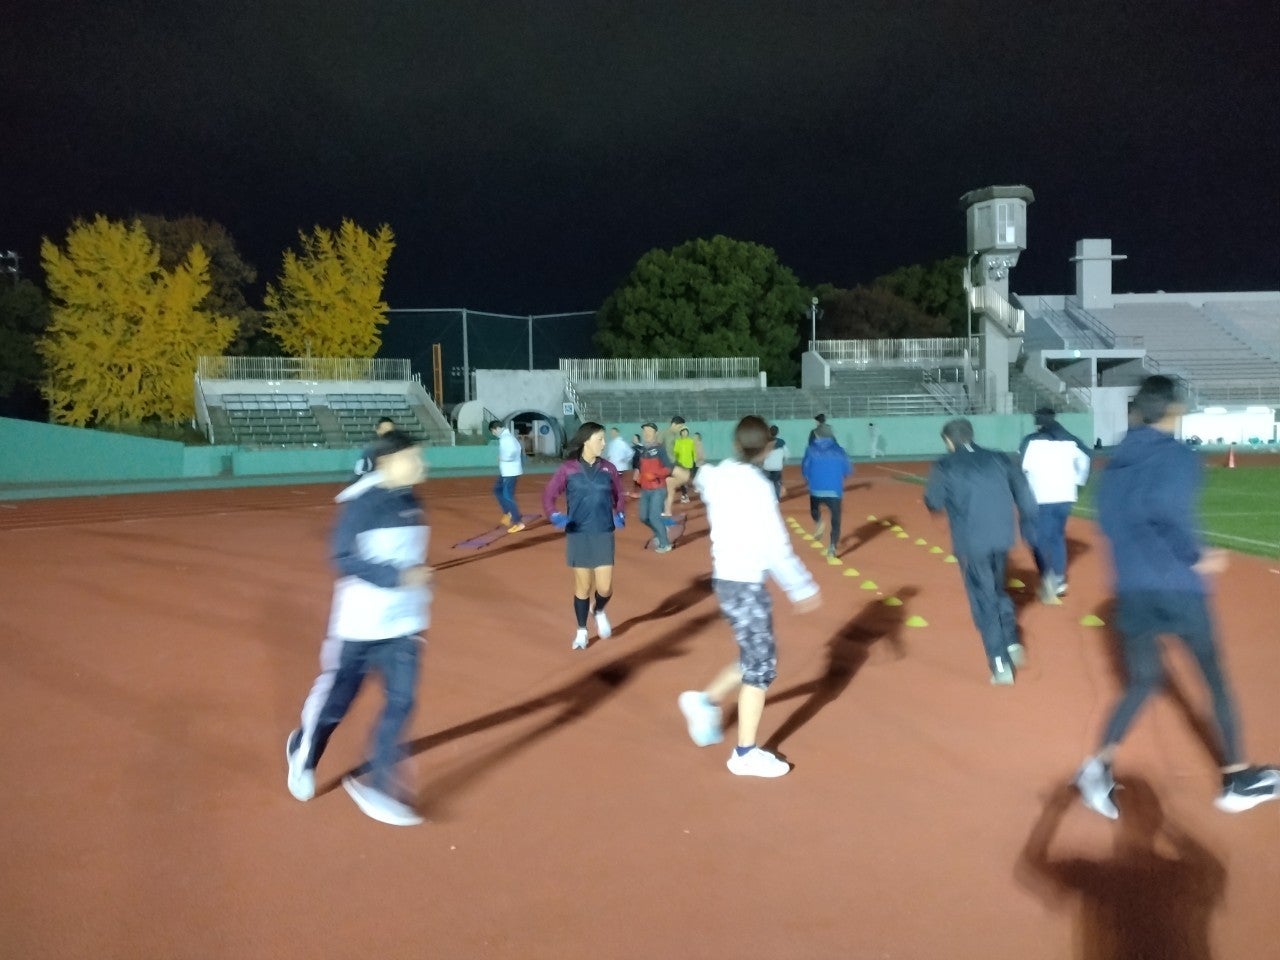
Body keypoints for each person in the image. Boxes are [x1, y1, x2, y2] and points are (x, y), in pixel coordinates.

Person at [1073, 376, 1279, 819]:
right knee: (1213, 678)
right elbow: (1167, 512)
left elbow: (1108, 522)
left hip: (1131, 589)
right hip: (1178, 588)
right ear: (1174, 410)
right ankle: (1238, 780)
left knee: (1143, 681)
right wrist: (1197, 555)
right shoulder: (1179, 457)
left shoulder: (1115, 465)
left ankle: (1097, 768)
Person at [285, 430, 431, 827]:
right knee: (336, 703)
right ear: (388, 463)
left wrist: (414, 588)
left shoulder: (413, 502)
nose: (422, 464)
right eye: (414, 457)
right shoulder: (363, 505)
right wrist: (397, 577)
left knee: (401, 702)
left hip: (404, 626)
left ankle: (382, 788)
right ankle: (303, 750)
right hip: (360, 627)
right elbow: (343, 556)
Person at [677, 415, 822, 777]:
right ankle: (744, 753)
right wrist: (800, 587)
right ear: (768, 448)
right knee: (761, 668)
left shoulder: (715, 474)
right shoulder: (758, 487)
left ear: (736, 444)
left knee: (753, 656)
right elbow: (776, 546)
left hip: (726, 580)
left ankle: (705, 701)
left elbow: (695, 475)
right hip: (746, 584)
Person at [924, 418, 1038, 685]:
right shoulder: (999, 457)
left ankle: (999, 663)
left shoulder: (945, 465)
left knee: (983, 600)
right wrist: (1028, 520)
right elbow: (1023, 492)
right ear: (971, 435)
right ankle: (1011, 641)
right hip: (1002, 537)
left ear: (949, 441)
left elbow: (934, 501)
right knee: (998, 590)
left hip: (971, 542)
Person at [542, 421, 626, 650]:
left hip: (603, 532)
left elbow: (619, 495)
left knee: (605, 588)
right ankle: (582, 631)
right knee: (583, 587)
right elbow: (548, 495)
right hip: (578, 534)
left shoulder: (609, 468)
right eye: (600, 439)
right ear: (586, 441)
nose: (604, 443)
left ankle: (598, 610)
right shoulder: (568, 469)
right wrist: (554, 514)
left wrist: (620, 512)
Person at [1019, 408, 1091, 601]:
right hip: (1065, 496)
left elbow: (1022, 468)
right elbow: (1086, 459)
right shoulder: (1072, 439)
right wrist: (1077, 481)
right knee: (1057, 536)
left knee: (1038, 538)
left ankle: (1048, 576)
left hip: (1041, 496)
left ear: (1037, 422)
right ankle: (1059, 578)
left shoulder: (1030, 441)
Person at [801, 423, 852, 557]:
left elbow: (805, 468)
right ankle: (832, 546)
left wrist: (808, 478)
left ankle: (818, 522)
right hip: (834, 490)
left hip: (816, 489)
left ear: (817, 435)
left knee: (814, 510)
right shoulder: (840, 450)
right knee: (835, 520)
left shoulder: (810, 449)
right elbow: (847, 470)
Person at [635, 422, 676, 552]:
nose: (646, 433)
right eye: (645, 431)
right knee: (643, 517)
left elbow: (669, 468)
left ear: (655, 433)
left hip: (658, 488)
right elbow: (641, 467)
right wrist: (638, 473)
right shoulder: (643, 450)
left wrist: (655, 474)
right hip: (645, 489)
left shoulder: (660, 449)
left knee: (654, 517)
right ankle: (660, 531)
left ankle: (665, 544)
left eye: (649, 431)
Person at [489, 419, 525, 533]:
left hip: (510, 472)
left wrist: (502, 458)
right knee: (497, 489)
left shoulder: (506, 439)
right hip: (507, 471)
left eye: (493, 431)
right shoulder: (508, 437)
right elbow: (518, 450)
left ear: (496, 429)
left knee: (508, 496)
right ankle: (508, 512)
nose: (494, 434)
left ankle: (518, 522)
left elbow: (512, 453)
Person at [672, 426, 697, 505]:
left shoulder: (691, 441)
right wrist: (675, 461)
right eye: (683, 431)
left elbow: (694, 452)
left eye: (686, 431)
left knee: (687, 480)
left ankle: (685, 491)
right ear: (681, 433)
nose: (684, 433)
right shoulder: (678, 441)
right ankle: (684, 495)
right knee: (682, 480)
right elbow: (675, 453)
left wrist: (695, 460)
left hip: (689, 464)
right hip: (681, 463)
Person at [761, 424, 787, 499]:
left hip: (766, 467)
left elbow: (761, 455)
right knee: (776, 482)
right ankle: (776, 498)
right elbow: (786, 455)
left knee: (767, 482)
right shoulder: (781, 442)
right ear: (777, 433)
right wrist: (781, 461)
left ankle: (767, 497)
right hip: (777, 467)